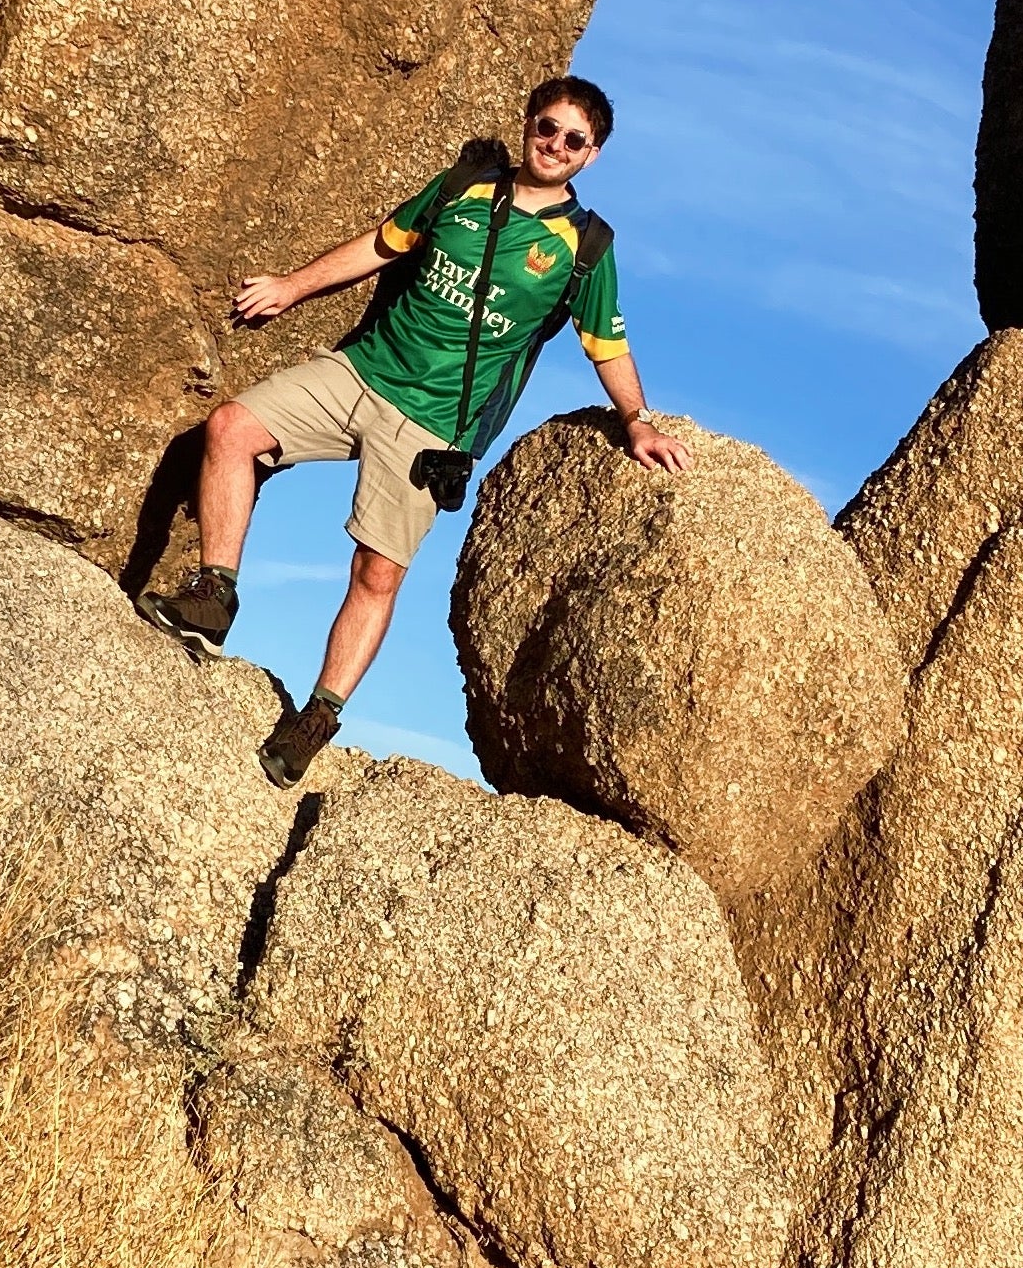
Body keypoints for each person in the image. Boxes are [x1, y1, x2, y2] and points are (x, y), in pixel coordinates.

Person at [137, 76, 690, 783]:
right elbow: (383, 244)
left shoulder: (583, 247)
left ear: (592, 155)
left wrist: (636, 421)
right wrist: (291, 286)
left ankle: (318, 716)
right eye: (547, 128)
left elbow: (604, 342)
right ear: (527, 125)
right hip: (361, 373)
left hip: (434, 426)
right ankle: (214, 596)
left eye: (573, 140)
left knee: (377, 572)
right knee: (232, 427)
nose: (555, 145)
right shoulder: (463, 189)